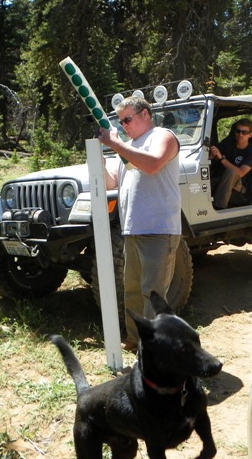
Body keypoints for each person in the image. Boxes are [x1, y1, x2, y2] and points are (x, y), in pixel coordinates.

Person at [97, 96, 181, 352]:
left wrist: (116, 144)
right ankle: (134, 340)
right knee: (132, 290)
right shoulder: (129, 146)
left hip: (159, 229)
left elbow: (153, 164)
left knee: (153, 294)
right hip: (133, 230)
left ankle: (153, 347)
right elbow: (111, 182)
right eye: (120, 121)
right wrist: (98, 154)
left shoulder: (162, 136)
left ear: (145, 114)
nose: (123, 125)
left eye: (127, 119)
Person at [209, 119, 252, 209]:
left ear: (250, 135)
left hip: (241, 186)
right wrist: (212, 154)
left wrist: (222, 159)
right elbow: (214, 153)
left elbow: (240, 172)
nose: (240, 135)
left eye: (244, 132)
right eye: (238, 131)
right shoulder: (228, 144)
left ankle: (219, 207)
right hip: (221, 179)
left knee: (230, 172)